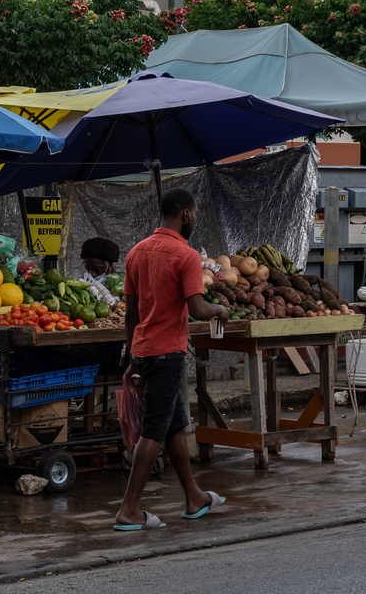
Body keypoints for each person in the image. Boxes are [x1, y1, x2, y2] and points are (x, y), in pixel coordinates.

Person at [113, 189, 230, 531]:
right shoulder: (186, 254)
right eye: (193, 214)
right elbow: (197, 308)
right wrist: (218, 309)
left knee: (175, 424)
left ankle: (193, 496)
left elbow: (130, 314)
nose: (194, 220)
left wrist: (132, 354)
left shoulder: (136, 252)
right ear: (184, 215)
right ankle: (129, 509)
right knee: (154, 431)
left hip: (146, 351)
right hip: (167, 354)